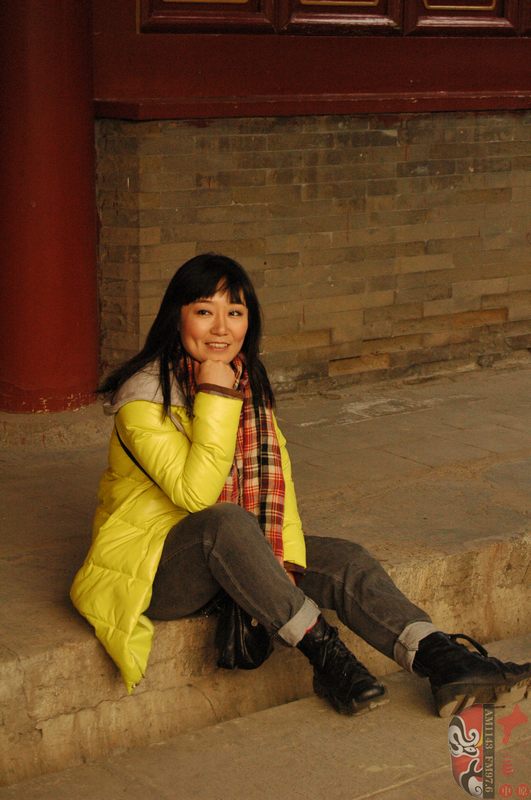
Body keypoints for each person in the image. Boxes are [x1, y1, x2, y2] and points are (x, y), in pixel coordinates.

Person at [71, 253, 531, 718]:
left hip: (235, 549)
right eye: (205, 311)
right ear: (177, 317)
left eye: (235, 312)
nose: (221, 328)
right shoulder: (143, 398)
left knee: (345, 560)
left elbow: (279, 495)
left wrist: (281, 565)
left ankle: (445, 662)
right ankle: (329, 660)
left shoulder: (247, 385)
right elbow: (197, 495)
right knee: (224, 522)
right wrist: (215, 395)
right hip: (157, 570)